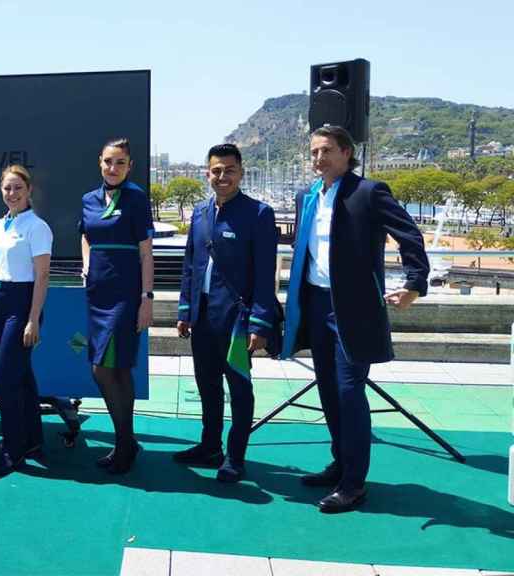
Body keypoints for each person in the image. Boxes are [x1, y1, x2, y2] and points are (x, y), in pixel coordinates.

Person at [282, 126, 429, 513]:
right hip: (314, 303)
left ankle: (353, 483)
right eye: (314, 152)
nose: (318, 159)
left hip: (353, 309)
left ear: (347, 152)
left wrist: (415, 282)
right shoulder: (307, 196)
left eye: (327, 150)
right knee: (328, 390)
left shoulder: (369, 192)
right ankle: (339, 463)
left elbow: (410, 235)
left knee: (349, 393)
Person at [174, 144, 278, 482]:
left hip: (237, 320)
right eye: (216, 170)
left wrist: (260, 322)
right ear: (207, 173)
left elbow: (265, 274)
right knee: (207, 385)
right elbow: (190, 264)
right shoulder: (200, 212)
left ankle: (235, 456)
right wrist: (185, 309)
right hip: (202, 316)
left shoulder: (258, 213)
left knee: (239, 388)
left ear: (241, 173)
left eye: (229, 170)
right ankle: (209, 446)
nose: (222, 176)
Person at [79, 138, 155, 474]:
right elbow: (85, 235)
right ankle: (127, 441)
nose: (113, 168)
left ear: (129, 166)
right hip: (98, 293)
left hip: (126, 294)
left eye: (120, 162)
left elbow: (146, 252)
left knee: (105, 369)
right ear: (99, 162)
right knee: (117, 368)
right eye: (108, 161)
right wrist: (85, 264)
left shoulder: (137, 198)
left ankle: (125, 442)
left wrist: (147, 299)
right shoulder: (88, 200)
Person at [0, 164, 52, 477]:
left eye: (18, 188)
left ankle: (13, 449)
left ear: (29, 191)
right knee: (22, 375)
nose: (11, 194)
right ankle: (32, 440)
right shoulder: (0, 224)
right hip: (0, 301)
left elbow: (42, 275)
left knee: (6, 378)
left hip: (23, 304)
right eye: (7, 188)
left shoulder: (37, 227)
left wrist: (33, 319)